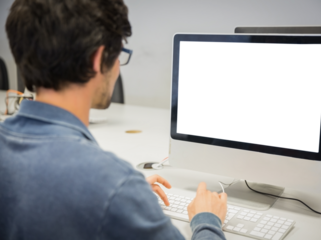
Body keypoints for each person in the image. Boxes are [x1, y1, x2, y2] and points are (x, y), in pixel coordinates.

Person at [0, 0, 228, 239]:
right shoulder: (112, 185)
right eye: (119, 54)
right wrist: (207, 220)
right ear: (97, 59)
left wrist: (126, 197)